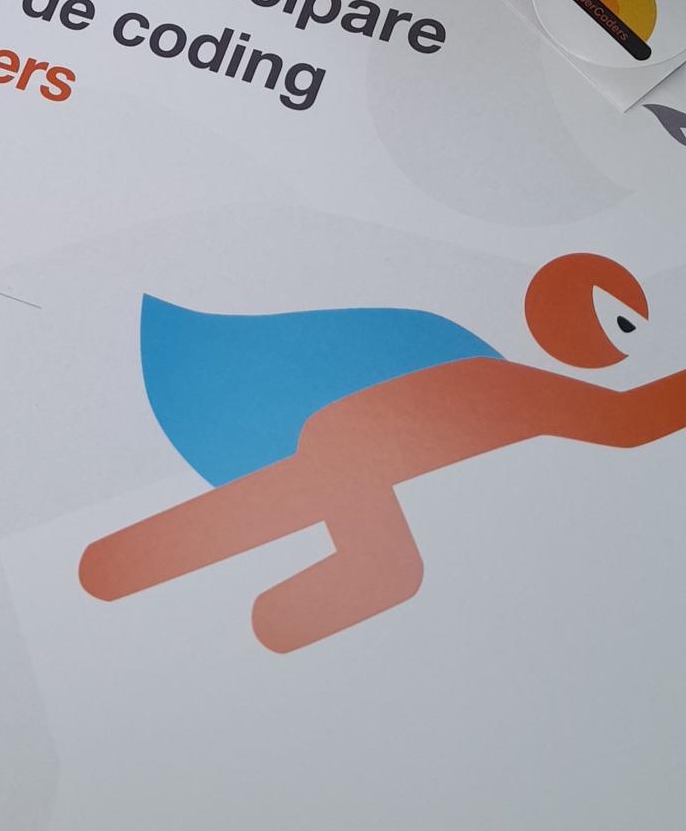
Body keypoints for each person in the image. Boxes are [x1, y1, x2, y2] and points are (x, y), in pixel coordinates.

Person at [79, 255, 686, 654]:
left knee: (294, 501)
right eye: (620, 327)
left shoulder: (491, 371)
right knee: (376, 556)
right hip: (345, 438)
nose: (621, 344)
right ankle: (144, 577)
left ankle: (120, 570)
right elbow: (625, 421)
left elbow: (624, 422)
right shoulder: (499, 378)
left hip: (338, 441)